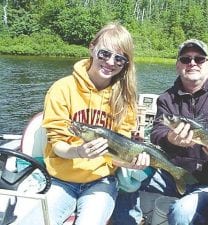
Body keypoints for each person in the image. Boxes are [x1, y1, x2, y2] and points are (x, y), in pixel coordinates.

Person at [112, 39, 208, 225]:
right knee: (124, 173)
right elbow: (157, 132)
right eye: (186, 59)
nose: (192, 63)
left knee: (181, 212)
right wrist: (170, 138)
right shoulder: (166, 98)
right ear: (178, 65)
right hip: (172, 174)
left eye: (199, 59)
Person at [42, 22, 149, 225]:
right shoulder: (62, 88)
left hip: (101, 182)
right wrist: (79, 152)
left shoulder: (125, 99)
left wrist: (133, 163)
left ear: (126, 63)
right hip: (59, 180)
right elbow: (57, 144)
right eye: (104, 54)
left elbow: (119, 153)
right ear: (92, 48)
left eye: (119, 58)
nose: (110, 62)